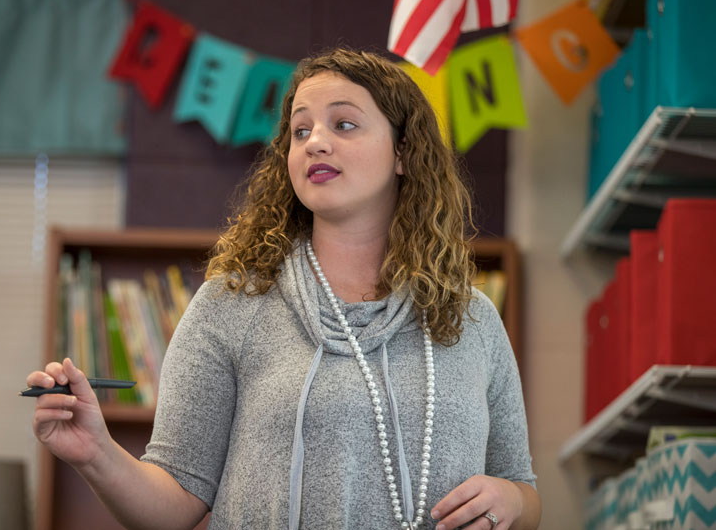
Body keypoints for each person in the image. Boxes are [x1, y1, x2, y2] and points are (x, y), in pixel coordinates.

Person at [27, 48, 541, 530]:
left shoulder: (471, 317)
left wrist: (513, 500)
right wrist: (94, 450)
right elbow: (174, 499)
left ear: (404, 153)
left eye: (343, 123)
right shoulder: (231, 304)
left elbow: (524, 487)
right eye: (300, 130)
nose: (315, 140)